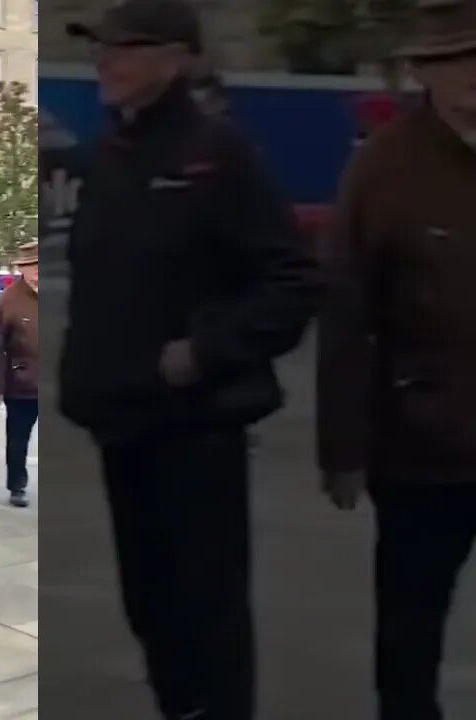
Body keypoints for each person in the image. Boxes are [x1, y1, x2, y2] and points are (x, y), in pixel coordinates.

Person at [60, 2, 320, 719]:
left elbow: (293, 280)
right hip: (122, 426)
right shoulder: (110, 156)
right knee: (151, 608)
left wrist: (204, 351)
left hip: (196, 431)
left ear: (178, 57)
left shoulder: (217, 154)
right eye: (100, 49)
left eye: (126, 48)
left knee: (208, 612)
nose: (106, 61)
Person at [317, 3, 476, 719]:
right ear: (426, 71)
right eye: (453, 58)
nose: (471, 72)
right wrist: (342, 449)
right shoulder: (384, 168)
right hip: (423, 447)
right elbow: (346, 316)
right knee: (410, 634)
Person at [0, 241, 40, 508]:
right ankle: (16, 485)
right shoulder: (8, 299)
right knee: (18, 439)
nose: (37, 272)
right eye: (32, 266)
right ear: (23, 269)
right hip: (21, 385)